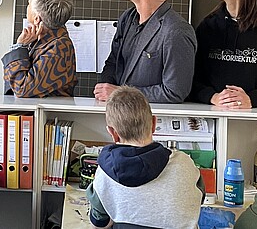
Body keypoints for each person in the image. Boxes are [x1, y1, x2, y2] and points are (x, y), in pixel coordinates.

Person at [86, 86, 202, 228]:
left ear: (113, 132)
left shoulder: (104, 174)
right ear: (153, 123)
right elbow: (198, 198)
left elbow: (99, 223)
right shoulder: (185, 164)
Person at [94, 0, 196, 103]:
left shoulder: (176, 31)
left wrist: (121, 94)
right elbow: (113, 62)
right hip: (117, 113)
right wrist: (105, 91)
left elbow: (174, 92)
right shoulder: (127, 18)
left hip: (150, 119)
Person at [2, 0, 77, 97]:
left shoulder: (57, 47)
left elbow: (21, 88)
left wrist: (19, 47)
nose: (27, 4)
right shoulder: (42, 39)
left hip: (47, 114)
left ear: (37, 19)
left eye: (29, 3)